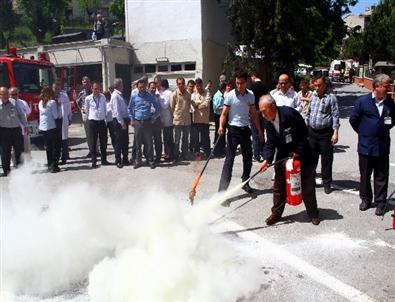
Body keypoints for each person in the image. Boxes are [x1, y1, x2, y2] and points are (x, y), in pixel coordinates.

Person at [259, 94, 320, 226]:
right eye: (261, 111)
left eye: (264, 111)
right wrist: (266, 160)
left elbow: (304, 132)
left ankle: (313, 213)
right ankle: (276, 213)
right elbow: (270, 142)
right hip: (283, 153)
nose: (262, 114)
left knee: (307, 185)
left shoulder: (289, 114)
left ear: (273, 107)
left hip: (301, 152)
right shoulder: (267, 120)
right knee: (279, 186)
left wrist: (298, 151)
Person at [349, 73, 395, 216]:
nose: (389, 89)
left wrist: (381, 130)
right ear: (377, 86)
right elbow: (353, 120)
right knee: (365, 175)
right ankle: (366, 199)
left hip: (382, 146)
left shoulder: (390, 103)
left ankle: (380, 203)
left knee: (381, 176)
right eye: (386, 86)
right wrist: (363, 133)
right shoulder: (362, 101)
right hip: (365, 146)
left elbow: (392, 121)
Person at [218, 70, 264, 194]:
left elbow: (254, 114)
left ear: (246, 82)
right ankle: (222, 191)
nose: (239, 86)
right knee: (229, 161)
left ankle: (245, 182)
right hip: (233, 131)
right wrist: (221, 126)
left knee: (248, 159)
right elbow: (223, 114)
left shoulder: (251, 95)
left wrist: (259, 130)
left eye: (242, 83)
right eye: (237, 83)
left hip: (245, 130)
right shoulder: (230, 95)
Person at [305, 76, 340, 194]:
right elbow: (308, 113)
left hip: (325, 133)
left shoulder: (331, 98)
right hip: (312, 132)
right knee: (311, 158)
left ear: (325, 85)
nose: (317, 88)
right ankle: (311, 180)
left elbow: (335, 115)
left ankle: (327, 183)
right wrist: (306, 128)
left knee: (326, 160)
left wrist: (335, 133)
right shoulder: (313, 96)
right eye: (315, 85)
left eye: (319, 85)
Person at [128, 79, 160, 169]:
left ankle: (150, 161)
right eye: (140, 87)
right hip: (137, 122)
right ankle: (138, 161)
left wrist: (154, 117)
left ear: (146, 87)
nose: (142, 89)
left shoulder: (149, 96)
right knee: (138, 142)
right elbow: (129, 108)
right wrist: (131, 119)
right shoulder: (134, 96)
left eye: (143, 87)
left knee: (149, 142)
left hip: (147, 122)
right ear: (137, 87)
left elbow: (157, 107)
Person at [0, 87, 28, 176]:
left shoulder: (13, 102)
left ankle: (21, 169)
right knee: (5, 152)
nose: (6, 96)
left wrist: (26, 125)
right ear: (0, 95)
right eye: (3, 94)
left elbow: (21, 114)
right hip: (4, 131)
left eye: (7, 94)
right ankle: (7, 170)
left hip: (16, 129)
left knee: (19, 150)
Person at [84, 81, 109, 168]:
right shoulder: (88, 98)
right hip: (93, 122)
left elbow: (105, 108)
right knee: (93, 142)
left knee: (103, 142)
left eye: (98, 89)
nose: (97, 90)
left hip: (101, 121)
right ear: (92, 89)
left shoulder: (103, 97)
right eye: (95, 89)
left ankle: (104, 160)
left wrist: (105, 119)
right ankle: (94, 161)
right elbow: (86, 110)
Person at [38, 87, 61, 173]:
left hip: (43, 127)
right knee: (56, 147)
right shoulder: (52, 102)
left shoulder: (40, 102)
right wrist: (58, 106)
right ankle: (54, 165)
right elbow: (56, 116)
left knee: (48, 147)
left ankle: (49, 164)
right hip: (51, 127)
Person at [170, 77, 192, 161]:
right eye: (179, 84)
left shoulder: (188, 94)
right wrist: (175, 115)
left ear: (184, 83)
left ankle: (184, 154)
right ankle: (176, 156)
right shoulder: (174, 94)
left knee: (185, 139)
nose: (181, 85)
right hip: (178, 120)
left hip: (186, 120)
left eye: (182, 83)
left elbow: (189, 105)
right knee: (177, 139)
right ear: (177, 84)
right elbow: (172, 107)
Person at [248, 71, 268, 162]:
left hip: (254, 111)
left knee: (255, 134)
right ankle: (263, 153)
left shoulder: (251, 87)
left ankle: (256, 155)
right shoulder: (265, 86)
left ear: (253, 76)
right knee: (262, 132)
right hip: (263, 111)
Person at [111, 78, 129, 168]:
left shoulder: (120, 95)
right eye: (122, 84)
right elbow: (117, 111)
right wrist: (122, 123)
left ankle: (125, 159)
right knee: (119, 141)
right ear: (119, 85)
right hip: (119, 121)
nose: (123, 86)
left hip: (124, 119)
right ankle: (118, 160)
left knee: (125, 141)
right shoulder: (115, 96)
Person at [53, 81, 72, 165]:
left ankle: (64, 157)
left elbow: (68, 107)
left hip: (63, 120)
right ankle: (55, 158)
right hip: (53, 121)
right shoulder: (50, 97)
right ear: (52, 89)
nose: (57, 90)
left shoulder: (64, 96)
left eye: (58, 89)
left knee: (64, 139)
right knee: (56, 140)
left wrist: (69, 117)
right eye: (55, 89)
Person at [191, 78, 211, 158]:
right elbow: (193, 104)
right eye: (197, 86)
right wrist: (200, 104)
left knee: (205, 137)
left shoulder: (207, 93)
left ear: (202, 85)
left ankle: (207, 152)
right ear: (196, 86)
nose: (199, 87)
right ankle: (197, 153)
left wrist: (198, 105)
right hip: (196, 119)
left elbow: (206, 103)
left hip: (205, 119)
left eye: (200, 85)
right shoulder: (193, 94)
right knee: (196, 138)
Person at [9, 87, 31, 159]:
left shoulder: (23, 102)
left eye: (16, 94)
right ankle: (15, 164)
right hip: (12, 130)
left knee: (26, 148)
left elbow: (28, 113)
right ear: (9, 95)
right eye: (12, 94)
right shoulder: (7, 104)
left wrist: (25, 125)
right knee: (14, 149)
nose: (14, 96)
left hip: (23, 129)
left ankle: (28, 165)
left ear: (18, 94)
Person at [76, 76, 93, 157]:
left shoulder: (93, 91)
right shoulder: (82, 93)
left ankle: (97, 150)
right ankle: (91, 150)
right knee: (88, 133)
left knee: (95, 133)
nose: (85, 84)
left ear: (90, 82)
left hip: (94, 114)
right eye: (84, 82)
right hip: (86, 115)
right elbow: (77, 102)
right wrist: (81, 111)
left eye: (87, 82)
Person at [159, 79, 175, 162]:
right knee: (168, 138)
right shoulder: (169, 92)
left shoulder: (167, 93)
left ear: (162, 86)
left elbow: (165, 105)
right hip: (167, 118)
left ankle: (169, 154)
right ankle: (169, 153)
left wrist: (159, 99)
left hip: (167, 119)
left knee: (167, 138)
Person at [148, 81, 163, 164]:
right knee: (149, 140)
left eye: (154, 88)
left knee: (158, 140)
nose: (153, 89)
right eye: (152, 87)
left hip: (156, 120)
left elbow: (159, 109)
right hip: (148, 120)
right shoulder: (146, 97)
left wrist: (158, 118)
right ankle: (150, 157)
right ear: (148, 88)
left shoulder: (157, 97)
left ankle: (158, 157)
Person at [212, 82, 227, 157]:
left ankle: (221, 149)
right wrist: (225, 107)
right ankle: (217, 150)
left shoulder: (221, 95)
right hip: (218, 116)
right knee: (218, 133)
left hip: (221, 115)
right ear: (223, 88)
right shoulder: (218, 96)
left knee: (221, 133)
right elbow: (216, 108)